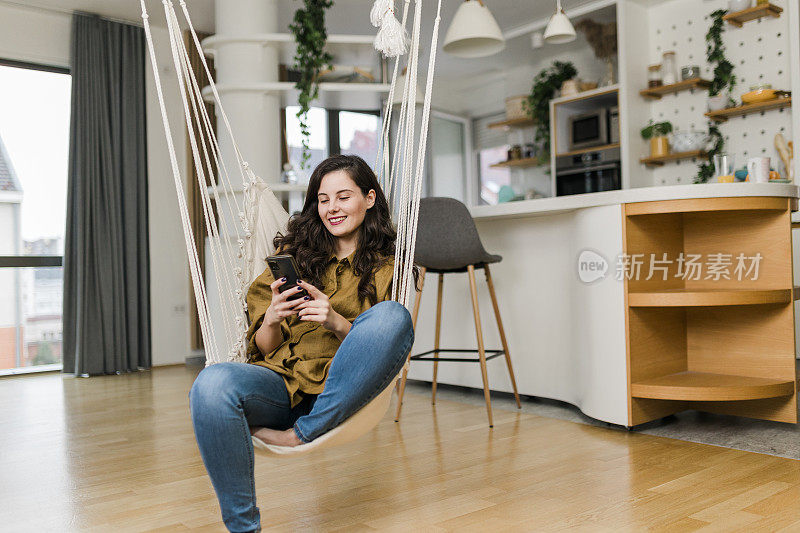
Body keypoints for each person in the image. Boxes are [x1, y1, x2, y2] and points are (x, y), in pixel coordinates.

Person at [189, 154, 416, 532]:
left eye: (343, 197)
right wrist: (274, 318)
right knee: (210, 384)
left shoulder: (389, 267)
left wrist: (336, 321)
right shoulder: (292, 259)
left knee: (393, 316)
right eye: (323, 200)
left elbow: (384, 345)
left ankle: (300, 434)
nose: (332, 209)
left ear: (370, 198)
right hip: (280, 386)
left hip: (340, 390)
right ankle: (244, 529)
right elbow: (262, 348)